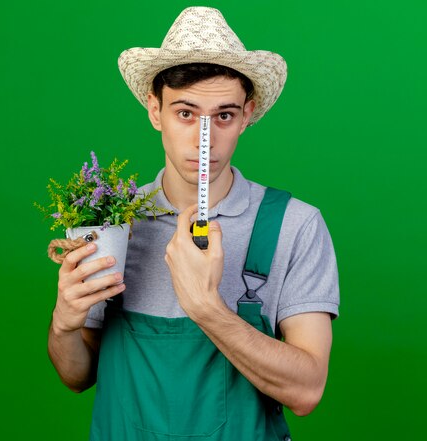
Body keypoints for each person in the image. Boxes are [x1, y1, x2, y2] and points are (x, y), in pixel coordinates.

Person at [48, 7, 339, 440]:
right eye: (186, 113)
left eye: (223, 115)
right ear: (154, 110)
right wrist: (64, 323)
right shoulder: (111, 224)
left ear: (246, 115)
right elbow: (77, 376)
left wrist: (206, 306)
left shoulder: (295, 226)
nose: (205, 138)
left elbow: (307, 390)